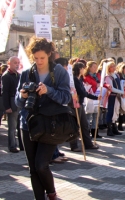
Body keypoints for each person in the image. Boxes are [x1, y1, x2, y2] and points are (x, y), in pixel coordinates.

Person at [15, 37, 71, 200]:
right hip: (28, 124)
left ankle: (51, 193)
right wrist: (22, 95)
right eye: (36, 58)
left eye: (42, 58)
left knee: (41, 165)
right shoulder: (26, 73)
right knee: (33, 168)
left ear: (49, 55)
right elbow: (18, 101)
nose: (39, 61)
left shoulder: (59, 71)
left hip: (51, 124)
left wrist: (48, 90)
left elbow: (65, 97)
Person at [72, 62, 99, 149]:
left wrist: (95, 97)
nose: (84, 70)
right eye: (83, 68)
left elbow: (84, 92)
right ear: (79, 69)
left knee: (84, 124)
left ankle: (88, 143)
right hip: (75, 104)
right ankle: (74, 145)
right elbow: (81, 91)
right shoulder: (74, 79)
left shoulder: (80, 79)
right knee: (76, 125)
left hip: (80, 103)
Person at [2, 56, 23, 153]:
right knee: (12, 127)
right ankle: (12, 146)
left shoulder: (18, 75)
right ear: (9, 63)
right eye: (15, 62)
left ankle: (22, 145)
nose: (17, 64)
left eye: (18, 62)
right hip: (11, 102)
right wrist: (7, 107)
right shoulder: (6, 76)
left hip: (18, 102)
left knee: (20, 126)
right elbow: (4, 92)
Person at [83, 61, 103, 138]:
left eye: (96, 67)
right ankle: (87, 132)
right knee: (88, 116)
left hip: (97, 96)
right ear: (89, 67)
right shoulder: (86, 76)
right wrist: (95, 85)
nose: (95, 68)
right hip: (90, 97)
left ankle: (95, 132)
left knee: (96, 115)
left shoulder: (97, 75)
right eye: (94, 67)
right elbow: (87, 85)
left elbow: (102, 83)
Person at [104, 61, 124, 136]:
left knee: (116, 111)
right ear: (108, 68)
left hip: (117, 95)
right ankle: (109, 129)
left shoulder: (116, 75)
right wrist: (121, 92)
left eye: (114, 66)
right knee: (111, 111)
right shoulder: (108, 77)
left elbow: (120, 85)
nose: (114, 67)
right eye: (111, 66)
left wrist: (122, 92)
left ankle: (114, 128)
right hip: (111, 96)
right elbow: (112, 89)